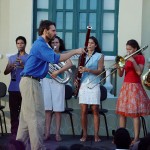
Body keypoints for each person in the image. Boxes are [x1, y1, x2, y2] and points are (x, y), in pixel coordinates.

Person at [16, 20, 84, 150]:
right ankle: (38, 148)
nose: (55, 32)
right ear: (45, 30)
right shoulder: (40, 44)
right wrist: (75, 51)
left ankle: (18, 146)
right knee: (37, 117)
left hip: (30, 81)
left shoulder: (43, 45)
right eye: (53, 30)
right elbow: (56, 59)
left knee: (25, 120)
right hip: (31, 82)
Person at [116, 39, 150, 145]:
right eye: (127, 49)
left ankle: (136, 138)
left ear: (135, 49)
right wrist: (119, 67)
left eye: (130, 49)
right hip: (126, 86)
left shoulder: (140, 58)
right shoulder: (125, 58)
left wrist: (133, 60)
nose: (128, 51)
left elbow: (139, 72)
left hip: (135, 87)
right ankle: (121, 138)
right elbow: (120, 74)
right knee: (122, 113)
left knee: (135, 114)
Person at [41, 36, 72, 141]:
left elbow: (70, 64)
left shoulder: (63, 54)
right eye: (53, 42)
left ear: (60, 43)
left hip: (58, 82)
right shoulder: (48, 53)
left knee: (58, 110)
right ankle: (47, 133)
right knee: (47, 109)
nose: (55, 44)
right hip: (46, 81)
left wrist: (58, 71)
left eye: (57, 42)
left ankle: (57, 134)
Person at [78, 36, 104, 142]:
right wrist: (77, 78)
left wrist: (88, 70)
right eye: (88, 43)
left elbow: (100, 71)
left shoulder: (99, 56)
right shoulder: (82, 55)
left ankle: (96, 135)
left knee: (95, 110)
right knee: (83, 110)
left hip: (94, 83)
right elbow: (79, 69)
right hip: (83, 84)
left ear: (96, 45)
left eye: (92, 43)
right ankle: (84, 134)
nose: (89, 44)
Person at [4, 36, 28, 138]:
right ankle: (14, 133)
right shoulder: (12, 58)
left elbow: (32, 72)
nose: (20, 45)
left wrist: (23, 65)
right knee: (14, 112)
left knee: (25, 113)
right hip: (13, 88)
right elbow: (5, 72)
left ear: (25, 44)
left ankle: (24, 133)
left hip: (25, 89)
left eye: (21, 43)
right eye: (18, 43)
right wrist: (10, 66)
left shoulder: (29, 57)